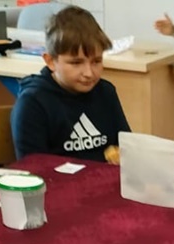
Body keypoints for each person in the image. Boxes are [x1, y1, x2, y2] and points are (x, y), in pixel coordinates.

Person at [10, 7, 130, 163]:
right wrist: (102, 158)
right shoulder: (33, 103)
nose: (89, 73)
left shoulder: (106, 92)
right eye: (76, 63)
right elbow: (33, 167)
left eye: (96, 61)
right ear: (50, 61)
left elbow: (126, 147)